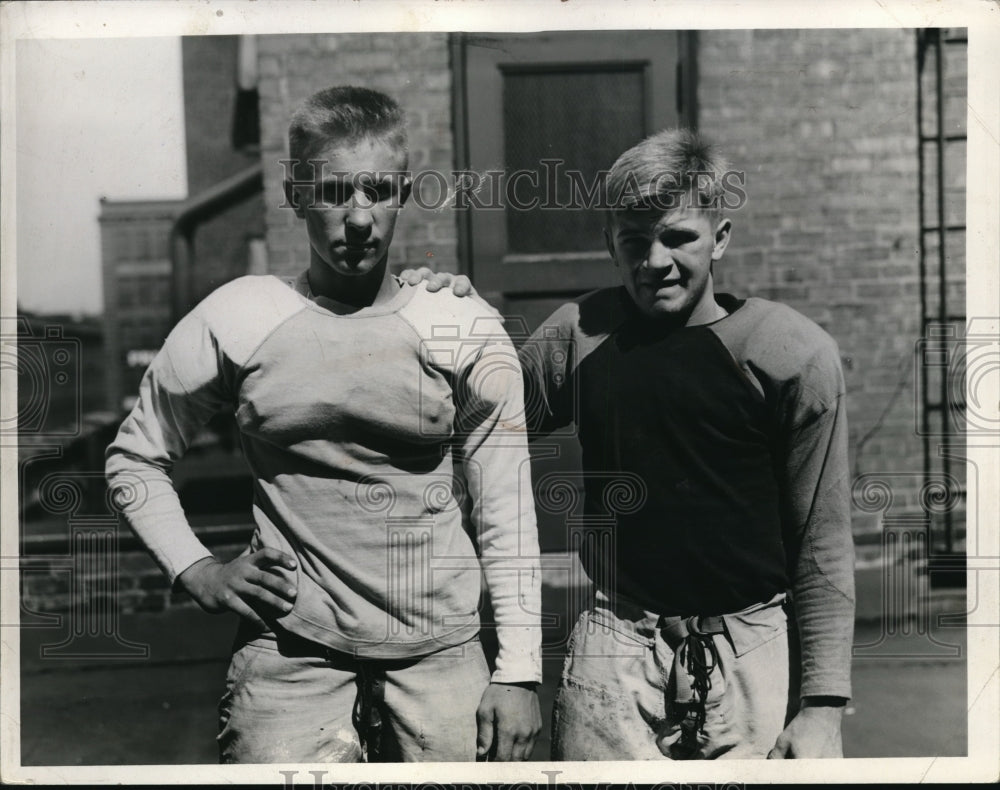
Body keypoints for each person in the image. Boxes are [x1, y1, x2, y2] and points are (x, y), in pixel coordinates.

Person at [105, 86, 542, 764]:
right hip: (289, 653)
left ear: (405, 191)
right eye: (336, 191)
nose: (360, 218)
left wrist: (517, 671)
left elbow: (506, 505)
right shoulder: (240, 316)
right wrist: (197, 569)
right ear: (295, 192)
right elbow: (135, 456)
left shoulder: (460, 323)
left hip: (441, 651)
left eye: (379, 191)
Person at [404, 128, 855, 760]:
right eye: (634, 241)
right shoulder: (579, 337)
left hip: (751, 645)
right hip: (616, 640)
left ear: (720, 236)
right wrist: (436, 313)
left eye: (678, 238)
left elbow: (822, 538)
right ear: (609, 245)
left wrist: (823, 707)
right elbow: (472, 431)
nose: (655, 262)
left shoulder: (791, 354)